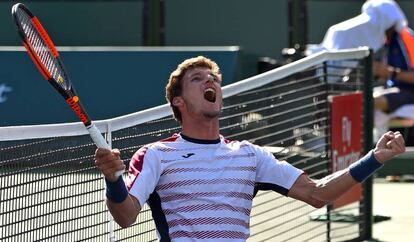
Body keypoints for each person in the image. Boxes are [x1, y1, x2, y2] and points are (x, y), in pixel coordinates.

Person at [95, 56, 405, 241]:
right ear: (178, 101)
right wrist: (113, 181)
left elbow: (317, 194)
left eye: (214, 79)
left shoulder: (249, 155)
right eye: (198, 79)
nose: (211, 82)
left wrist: (374, 158)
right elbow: (126, 216)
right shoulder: (156, 155)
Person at [306, 0, 414, 141]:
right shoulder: (386, 40)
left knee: (366, 101)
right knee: (355, 98)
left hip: (410, 93)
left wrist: (390, 72)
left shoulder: (407, 39)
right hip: (395, 90)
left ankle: (354, 143)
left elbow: (394, 73)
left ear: (388, 21)